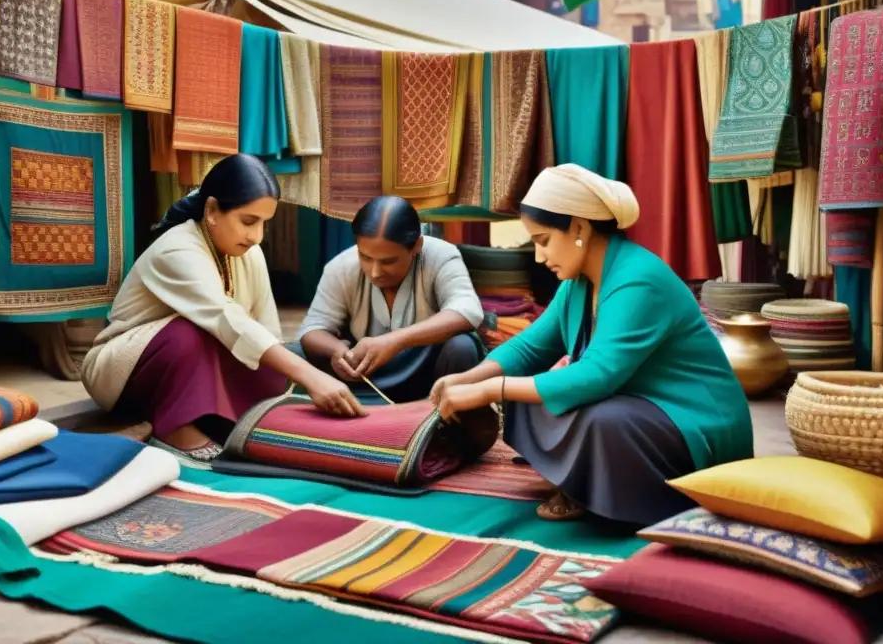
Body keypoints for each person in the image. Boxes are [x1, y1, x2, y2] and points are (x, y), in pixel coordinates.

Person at [430, 164, 753, 526]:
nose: (539, 256)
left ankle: (601, 488)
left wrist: (490, 389)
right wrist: (470, 378)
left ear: (579, 228)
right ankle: (584, 477)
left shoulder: (638, 280)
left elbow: (598, 376)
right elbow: (530, 348)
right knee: (527, 388)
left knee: (600, 420)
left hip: (694, 423)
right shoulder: (578, 281)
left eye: (543, 240)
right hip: (637, 407)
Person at [81, 154, 364, 466]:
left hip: (195, 365)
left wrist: (285, 380)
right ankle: (177, 428)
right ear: (213, 210)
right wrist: (312, 377)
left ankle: (217, 416)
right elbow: (223, 317)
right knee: (191, 331)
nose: (256, 236)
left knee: (273, 368)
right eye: (248, 221)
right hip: (120, 372)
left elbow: (264, 329)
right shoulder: (175, 248)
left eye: (263, 224)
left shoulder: (249, 253)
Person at [298, 196, 485, 403]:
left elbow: (468, 311)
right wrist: (338, 352)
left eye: (388, 261)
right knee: (296, 356)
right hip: (364, 376)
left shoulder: (441, 255)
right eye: (366, 257)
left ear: (416, 246)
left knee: (462, 348)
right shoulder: (341, 267)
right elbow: (312, 329)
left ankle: (447, 429)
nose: (375, 272)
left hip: (429, 377)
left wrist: (394, 341)